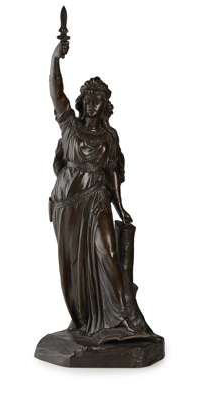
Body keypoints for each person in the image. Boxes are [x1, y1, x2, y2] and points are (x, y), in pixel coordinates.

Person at [49, 41, 152, 342]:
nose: (93, 101)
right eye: (89, 96)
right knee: (74, 265)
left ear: (105, 104)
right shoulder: (69, 126)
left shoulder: (109, 136)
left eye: (99, 97)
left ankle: (120, 318)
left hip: (97, 199)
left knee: (107, 251)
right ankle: (84, 321)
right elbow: (56, 92)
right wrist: (55, 58)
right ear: (82, 101)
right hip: (68, 203)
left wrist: (121, 207)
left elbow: (113, 173)